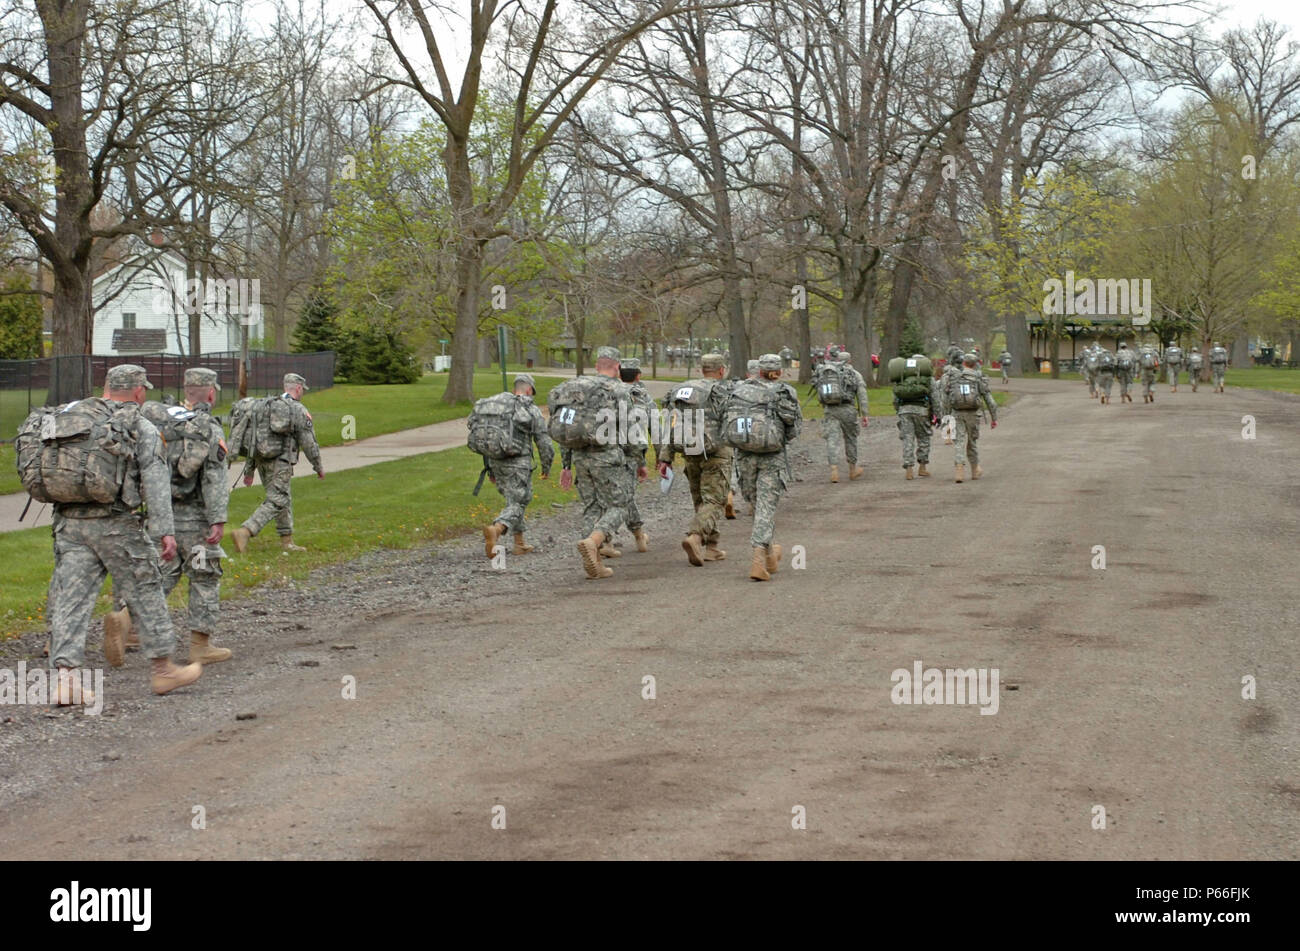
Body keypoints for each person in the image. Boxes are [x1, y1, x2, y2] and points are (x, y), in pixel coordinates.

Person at [40, 364, 202, 704]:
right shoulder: (138, 425)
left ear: (107, 386)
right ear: (139, 391)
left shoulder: (74, 416)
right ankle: (164, 670)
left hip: (69, 523)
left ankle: (66, 679)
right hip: (116, 524)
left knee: (72, 598)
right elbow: (156, 482)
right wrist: (164, 533)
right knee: (146, 590)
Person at [103, 367, 232, 667]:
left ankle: (125, 620)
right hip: (196, 519)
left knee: (161, 576)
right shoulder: (207, 427)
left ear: (186, 388)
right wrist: (218, 519)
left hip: (159, 518)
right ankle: (201, 646)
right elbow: (214, 478)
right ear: (211, 393)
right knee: (204, 576)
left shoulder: (155, 418)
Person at [555, 346, 643, 579]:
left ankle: (593, 562)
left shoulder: (576, 390)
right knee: (620, 505)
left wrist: (565, 465)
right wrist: (638, 460)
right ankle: (594, 541)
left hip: (580, 457)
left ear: (596, 365)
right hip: (608, 457)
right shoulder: (619, 390)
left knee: (592, 507)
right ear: (617, 366)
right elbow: (630, 429)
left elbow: (567, 427)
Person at [725, 354, 802, 581]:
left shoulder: (740, 389)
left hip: (744, 456)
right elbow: (794, 429)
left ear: (758, 371)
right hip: (772, 457)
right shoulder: (784, 392)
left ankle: (770, 555)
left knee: (758, 506)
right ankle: (758, 559)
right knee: (765, 509)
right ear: (779, 371)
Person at [231, 373, 324, 554]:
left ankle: (287, 542)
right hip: (280, 461)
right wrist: (318, 466)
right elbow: (309, 442)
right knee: (278, 499)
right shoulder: (296, 409)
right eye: (302, 390)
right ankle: (246, 531)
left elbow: (254, 440)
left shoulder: (266, 406)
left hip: (261, 460)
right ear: (298, 388)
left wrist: (249, 470)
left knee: (282, 499)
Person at [656, 353, 734, 565]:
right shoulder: (724, 390)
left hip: (689, 451)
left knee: (700, 499)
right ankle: (695, 536)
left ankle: (712, 547)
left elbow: (669, 425)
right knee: (715, 500)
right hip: (717, 452)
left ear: (701, 369)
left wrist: (666, 457)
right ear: (721, 370)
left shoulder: (680, 391)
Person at [479, 372, 554, 559]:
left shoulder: (497, 406)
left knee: (513, 500)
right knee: (521, 500)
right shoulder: (530, 409)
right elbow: (543, 441)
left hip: (496, 460)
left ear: (515, 389)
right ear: (529, 389)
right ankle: (497, 529)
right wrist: (546, 466)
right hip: (518, 462)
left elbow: (488, 436)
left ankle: (519, 543)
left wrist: (489, 467)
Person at [614, 358, 655, 553]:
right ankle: (638, 534)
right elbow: (655, 427)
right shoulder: (643, 397)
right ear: (638, 375)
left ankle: (603, 540)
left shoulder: (608, 393)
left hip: (607, 451)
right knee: (626, 496)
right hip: (632, 453)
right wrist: (661, 456)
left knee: (607, 497)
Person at [811, 351, 868, 483]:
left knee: (832, 439)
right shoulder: (854, 374)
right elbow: (862, 395)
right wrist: (864, 413)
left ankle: (834, 470)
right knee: (851, 438)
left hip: (830, 410)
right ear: (850, 360)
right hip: (848, 409)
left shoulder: (828, 372)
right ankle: (852, 469)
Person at [940, 353, 997, 482]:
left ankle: (959, 471)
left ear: (964, 363)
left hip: (957, 413)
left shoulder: (953, 377)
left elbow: (945, 399)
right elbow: (990, 400)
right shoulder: (978, 377)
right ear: (975, 364)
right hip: (973, 414)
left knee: (959, 441)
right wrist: (994, 418)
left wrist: (945, 417)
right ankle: (975, 470)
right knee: (972, 442)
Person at [893, 354, 933, 480]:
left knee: (907, 439)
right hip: (921, 411)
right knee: (923, 438)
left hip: (904, 411)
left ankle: (909, 469)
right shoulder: (927, 379)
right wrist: (936, 414)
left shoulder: (902, 377)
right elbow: (935, 398)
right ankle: (922, 467)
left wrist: (899, 410)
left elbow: (895, 399)